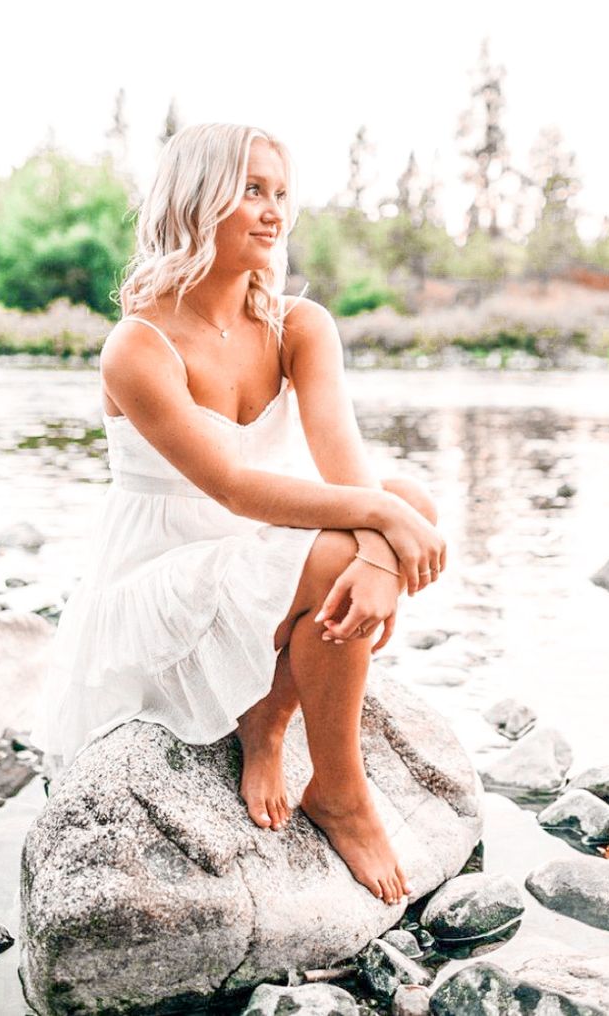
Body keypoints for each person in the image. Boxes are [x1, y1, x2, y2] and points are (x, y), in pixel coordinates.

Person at [34, 122, 446, 908]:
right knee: (357, 541)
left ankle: (268, 715)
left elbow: (346, 471)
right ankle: (339, 790)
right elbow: (230, 486)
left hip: (253, 555)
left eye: (281, 193)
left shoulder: (300, 326)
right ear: (197, 202)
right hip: (163, 583)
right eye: (251, 190)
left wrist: (386, 546)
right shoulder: (139, 344)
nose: (273, 212)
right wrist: (380, 540)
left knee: (402, 505)